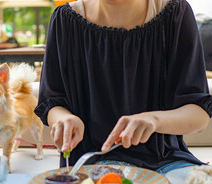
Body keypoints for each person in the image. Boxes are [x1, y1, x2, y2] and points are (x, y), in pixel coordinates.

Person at [35, 0, 212, 173]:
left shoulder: (175, 13)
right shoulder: (64, 19)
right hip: (95, 162)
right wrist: (64, 119)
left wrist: (154, 120)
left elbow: (199, 115)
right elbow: (52, 102)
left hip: (167, 161)